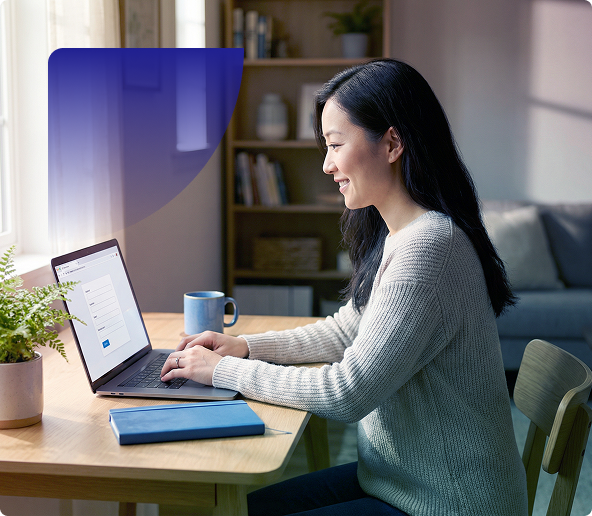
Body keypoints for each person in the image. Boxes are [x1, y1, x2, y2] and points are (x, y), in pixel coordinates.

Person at [161, 58, 528, 516]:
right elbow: (344, 331)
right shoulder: (403, 235)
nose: (326, 164)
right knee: (239, 508)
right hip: (397, 480)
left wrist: (219, 372)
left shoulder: (429, 248)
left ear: (392, 143)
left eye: (335, 144)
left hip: (446, 503)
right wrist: (243, 347)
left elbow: (345, 393)